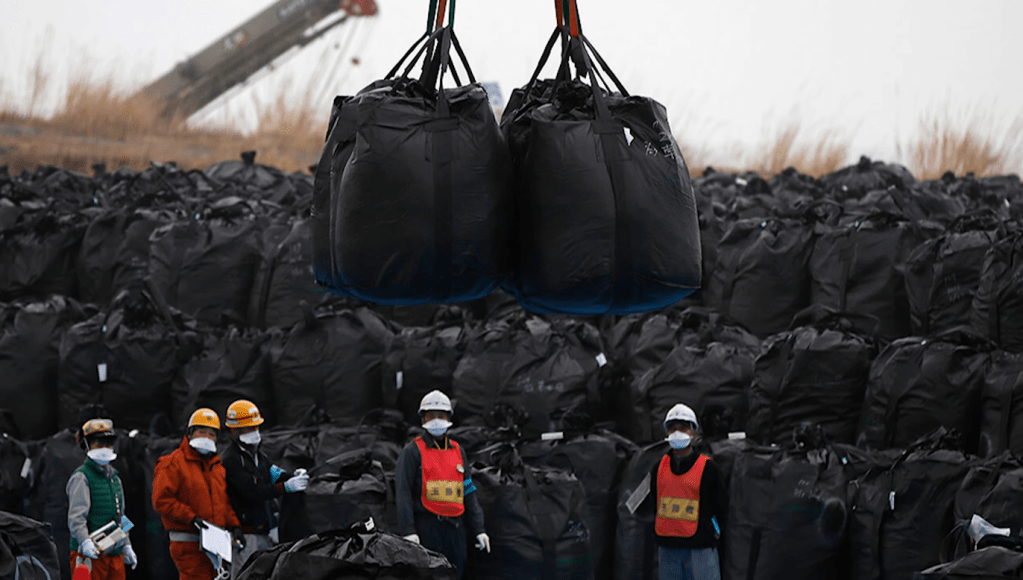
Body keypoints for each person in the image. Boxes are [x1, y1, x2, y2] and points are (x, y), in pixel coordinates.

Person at [396, 390, 489, 579]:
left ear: (449, 418)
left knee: (457, 573)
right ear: (423, 419)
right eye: (431, 416)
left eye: (441, 415)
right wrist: (408, 531)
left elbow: (469, 490)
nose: (436, 420)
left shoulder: (458, 450)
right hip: (427, 528)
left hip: (456, 530)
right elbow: (403, 492)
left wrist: (479, 528)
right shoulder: (412, 452)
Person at [220, 399, 309, 577]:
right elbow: (251, 492)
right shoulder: (231, 460)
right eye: (249, 428)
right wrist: (285, 487)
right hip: (245, 535)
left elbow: (273, 473)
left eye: (256, 427)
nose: (254, 432)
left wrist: (292, 476)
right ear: (235, 430)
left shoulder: (258, 456)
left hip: (265, 533)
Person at [152, 408, 242, 580]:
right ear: (190, 433)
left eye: (212, 434)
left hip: (216, 544)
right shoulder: (172, 463)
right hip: (189, 543)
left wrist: (235, 525)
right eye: (202, 432)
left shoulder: (216, 467)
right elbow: (161, 500)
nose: (207, 438)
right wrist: (192, 518)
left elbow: (223, 502)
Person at [650, 403, 727, 580]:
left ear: (695, 433)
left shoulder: (708, 468)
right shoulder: (658, 467)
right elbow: (655, 501)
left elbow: (721, 507)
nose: (677, 433)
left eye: (683, 428)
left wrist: (713, 532)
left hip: (700, 548)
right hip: (667, 547)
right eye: (672, 428)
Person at [67, 418, 138, 579]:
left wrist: (127, 546)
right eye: (99, 444)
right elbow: (76, 518)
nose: (104, 448)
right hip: (88, 555)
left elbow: (121, 517)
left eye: (108, 444)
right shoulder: (81, 477)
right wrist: (84, 542)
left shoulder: (115, 479)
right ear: (87, 445)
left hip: (115, 554)